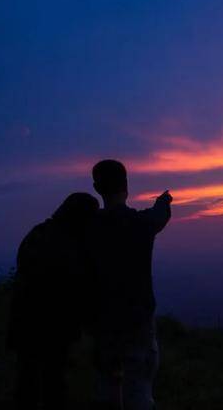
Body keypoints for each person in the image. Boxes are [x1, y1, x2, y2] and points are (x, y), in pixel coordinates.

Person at [89, 159, 172, 410]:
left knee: (107, 385)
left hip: (101, 318)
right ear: (126, 186)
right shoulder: (140, 224)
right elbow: (159, 215)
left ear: (96, 187)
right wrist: (163, 201)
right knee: (138, 388)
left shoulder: (89, 227)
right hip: (137, 318)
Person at [8, 192, 100, 410]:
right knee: (53, 383)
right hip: (53, 327)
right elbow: (77, 286)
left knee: (27, 379)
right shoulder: (69, 245)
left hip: (25, 322)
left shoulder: (37, 234)